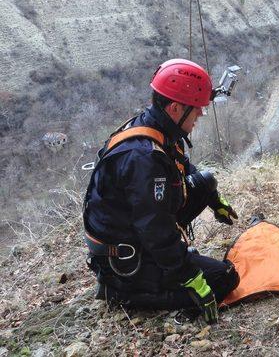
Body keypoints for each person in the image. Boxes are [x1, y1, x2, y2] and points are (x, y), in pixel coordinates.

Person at [83, 58, 239, 324]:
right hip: (124, 258)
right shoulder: (144, 159)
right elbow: (155, 229)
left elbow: (183, 168)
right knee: (224, 278)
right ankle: (122, 292)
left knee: (205, 179)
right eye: (197, 109)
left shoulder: (158, 128)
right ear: (176, 108)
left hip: (135, 226)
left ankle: (159, 275)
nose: (200, 114)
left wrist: (212, 196)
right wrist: (189, 274)